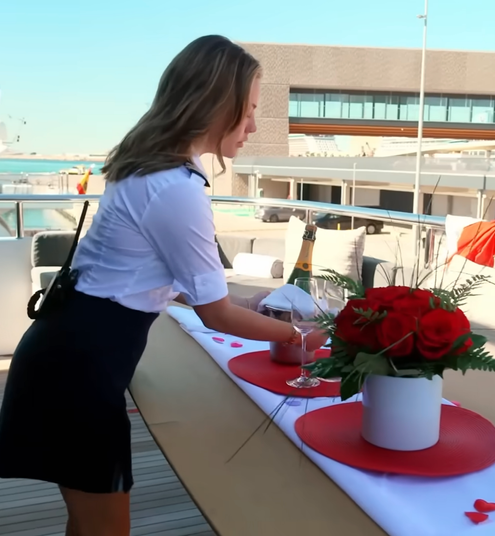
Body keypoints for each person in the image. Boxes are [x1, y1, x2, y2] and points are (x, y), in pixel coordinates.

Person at [0, 35, 327, 536]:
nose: (253, 126)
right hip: (79, 373)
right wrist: (297, 335)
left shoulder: (148, 166)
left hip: (65, 353)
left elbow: (149, 276)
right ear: (216, 104)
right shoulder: (177, 188)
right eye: (249, 111)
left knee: (87, 523)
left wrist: (250, 301)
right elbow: (215, 315)